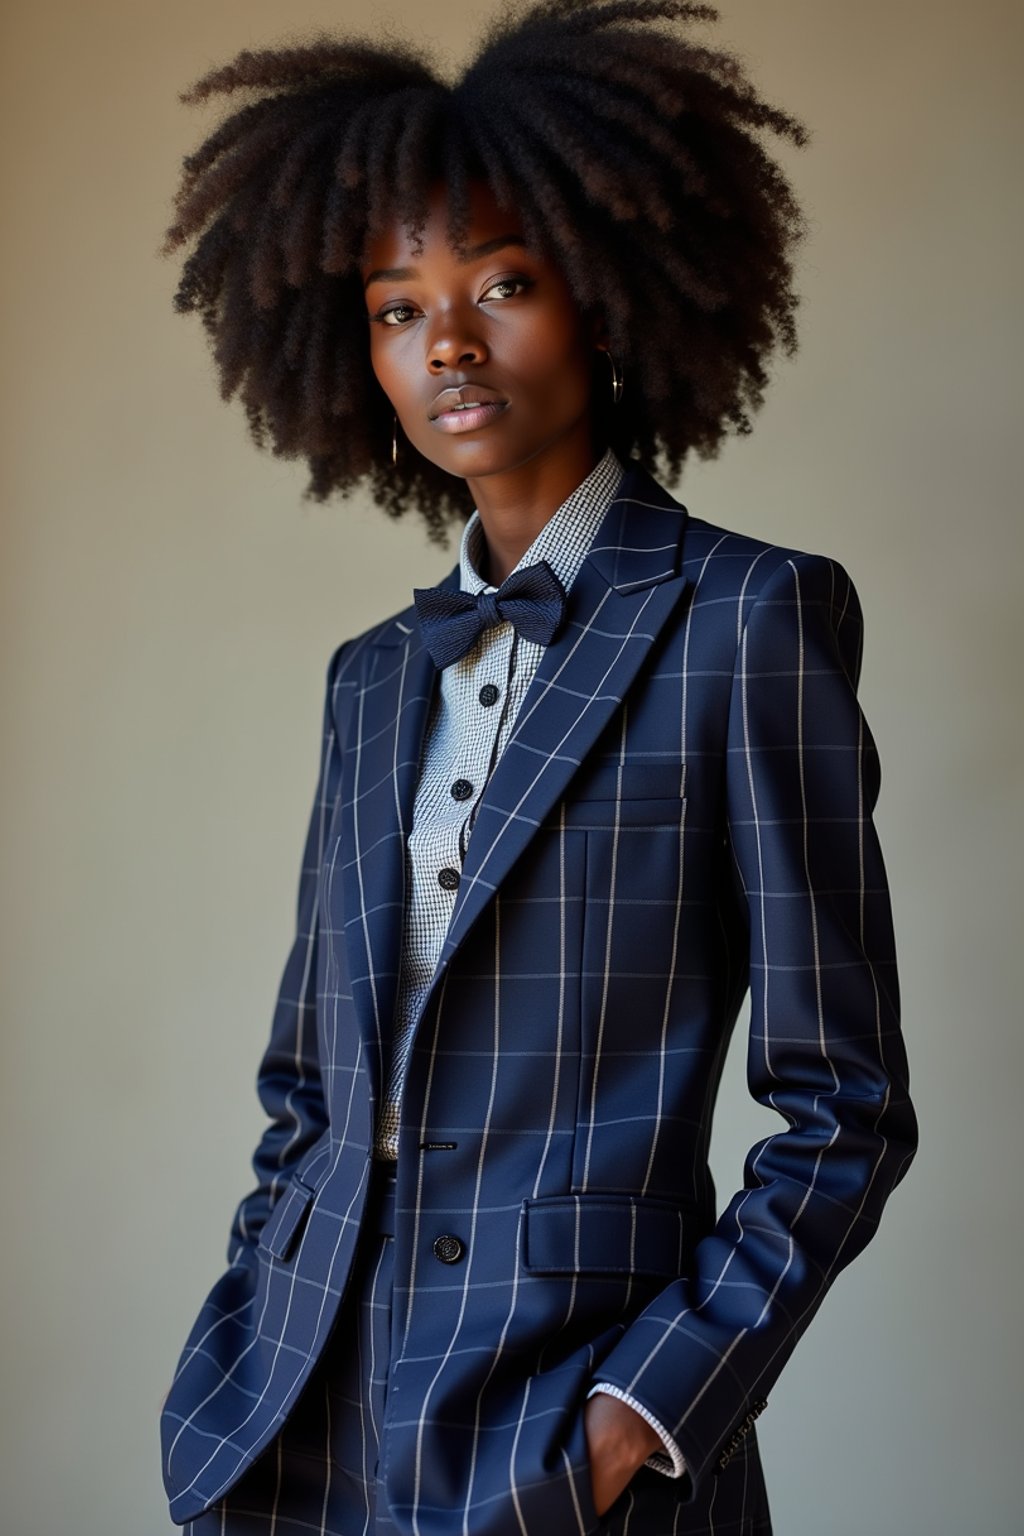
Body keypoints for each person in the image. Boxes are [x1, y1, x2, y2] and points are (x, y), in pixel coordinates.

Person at [158, 3, 917, 1533]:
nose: (447, 341)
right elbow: (312, 1087)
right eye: (394, 306)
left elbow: (846, 1107)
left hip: (568, 1437)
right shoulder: (372, 679)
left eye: (503, 281)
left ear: (612, 292)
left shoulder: (749, 619)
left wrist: (643, 1415)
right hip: (302, 1417)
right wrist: (242, 1329)